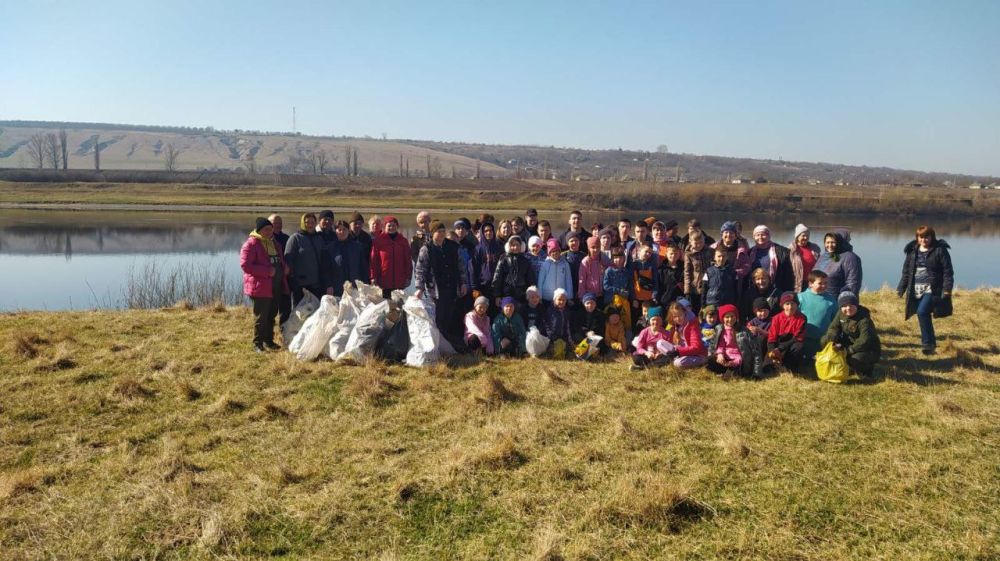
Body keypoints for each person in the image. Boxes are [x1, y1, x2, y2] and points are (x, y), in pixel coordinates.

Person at [897, 225, 953, 355]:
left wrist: (947, 290)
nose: (924, 240)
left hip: (933, 288)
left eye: (927, 237)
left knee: (922, 312)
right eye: (921, 237)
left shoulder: (940, 250)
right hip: (916, 288)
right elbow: (907, 271)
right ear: (917, 238)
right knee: (923, 314)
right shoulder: (912, 250)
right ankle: (931, 343)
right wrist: (901, 288)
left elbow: (947, 272)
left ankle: (927, 345)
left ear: (932, 237)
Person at [414, 220, 469, 342]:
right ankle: (438, 342)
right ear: (433, 233)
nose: (442, 233)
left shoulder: (454, 247)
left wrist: (463, 283)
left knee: (450, 315)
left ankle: (450, 342)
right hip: (435, 289)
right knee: (438, 316)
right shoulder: (426, 249)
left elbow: (461, 267)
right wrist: (419, 288)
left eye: (443, 231)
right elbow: (420, 270)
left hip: (452, 286)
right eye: (439, 231)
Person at [240, 217, 288, 352]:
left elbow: (280, 260)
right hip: (260, 287)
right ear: (259, 230)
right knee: (261, 317)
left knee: (271, 315)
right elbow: (245, 265)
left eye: (270, 229)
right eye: (266, 230)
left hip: (275, 286)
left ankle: (268, 341)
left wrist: (284, 268)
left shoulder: (274, 243)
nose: (269, 232)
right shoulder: (251, 244)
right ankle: (257, 344)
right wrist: (267, 271)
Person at [821, 291, 881, 377]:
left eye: (851, 305)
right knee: (825, 340)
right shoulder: (841, 314)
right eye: (844, 306)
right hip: (848, 343)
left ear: (856, 305)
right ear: (841, 307)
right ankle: (832, 362)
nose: (848, 308)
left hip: (867, 349)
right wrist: (832, 338)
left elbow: (865, 340)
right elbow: (833, 327)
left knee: (855, 360)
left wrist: (848, 350)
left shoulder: (864, 320)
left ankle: (867, 369)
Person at [284, 213, 325, 306]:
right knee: (299, 313)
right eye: (307, 222)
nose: (310, 224)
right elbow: (288, 260)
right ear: (303, 223)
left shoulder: (319, 238)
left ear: (315, 223)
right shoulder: (295, 238)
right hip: (300, 285)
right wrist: (291, 281)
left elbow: (323, 260)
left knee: (315, 311)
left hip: (316, 283)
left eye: (312, 222)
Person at [797, 270, 838, 359]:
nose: (823, 286)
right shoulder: (800, 298)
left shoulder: (831, 301)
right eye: (820, 283)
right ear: (810, 284)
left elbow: (836, 321)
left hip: (822, 340)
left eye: (825, 283)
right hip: (803, 339)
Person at [706, 304, 755, 378]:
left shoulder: (743, 330)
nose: (730, 319)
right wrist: (720, 354)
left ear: (736, 317)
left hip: (736, 358)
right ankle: (724, 371)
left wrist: (734, 362)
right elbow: (720, 344)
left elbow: (742, 351)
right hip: (725, 356)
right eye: (727, 317)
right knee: (709, 361)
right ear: (722, 318)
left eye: (732, 316)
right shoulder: (720, 329)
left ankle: (729, 373)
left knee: (732, 372)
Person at [370, 215, 413, 299]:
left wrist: (408, 277)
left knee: (399, 307)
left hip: (400, 280)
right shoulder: (378, 241)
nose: (391, 227)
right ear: (385, 226)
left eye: (394, 225)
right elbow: (373, 261)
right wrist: (373, 277)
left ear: (397, 227)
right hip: (384, 281)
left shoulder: (403, 241)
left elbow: (408, 260)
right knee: (385, 306)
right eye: (389, 225)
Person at [746, 225, 795, 294]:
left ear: (769, 236)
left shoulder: (782, 252)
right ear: (754, 237)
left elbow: (789, 275)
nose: (760, 237)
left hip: (775, 289)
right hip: (755, 289)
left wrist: (789, 292)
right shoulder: (749, 253)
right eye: (757, 235)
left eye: (763, 235)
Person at [816, 229, 863, 299]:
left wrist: (845, 302)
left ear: (839, 242)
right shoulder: (824, 256)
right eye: (827, 242)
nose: (829, 245)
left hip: (836, 302)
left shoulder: (850, 258)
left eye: (833, 242)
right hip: (820, 300)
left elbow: (852, 284)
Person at [766, 292, 807, 372]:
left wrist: (780, 349)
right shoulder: (776, 318)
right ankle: (775, 362)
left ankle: (789, 365)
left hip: (791, 343)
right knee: (767, 368)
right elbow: (772, 337)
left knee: (798, 347)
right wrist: (773, 350)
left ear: (797, 305)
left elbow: (798, 337)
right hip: (778, 342)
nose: (790, 307)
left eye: (793, 304)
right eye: (787, 304)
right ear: (783, 305)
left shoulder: (802, 318)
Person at [492, 235, 535, 306]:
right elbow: (497, 277)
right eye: (513, 245)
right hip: (506, 294)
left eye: (517, 245)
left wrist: (532, 294)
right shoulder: (503, 259)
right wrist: (497, 295)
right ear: (508, 246)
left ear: (522, 246)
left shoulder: (525, 261)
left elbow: (530, 279)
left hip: (521, 295)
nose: (515, 247)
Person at [664, 301, 708, 369]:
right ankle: (673, 358)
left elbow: (696, 347)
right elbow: (670, 341)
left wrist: (679, 352)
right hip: (681, 350)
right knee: (660, 343)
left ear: (685, 313)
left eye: (680, 315)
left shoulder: (692, 325)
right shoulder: (676, 325)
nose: (678, 319)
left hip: (696, 354)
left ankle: (701, 362)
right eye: (675, 316)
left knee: (678, 363)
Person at [629, 306, 671, 370]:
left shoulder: (666, 333)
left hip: (658, 356)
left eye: (658, 319)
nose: (656, 322)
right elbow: (639, 348)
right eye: (653, 319)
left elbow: (668, 348)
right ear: (649, 320)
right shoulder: (644, 332)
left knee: (668, 358)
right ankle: (653, 365)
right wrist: (647, 353)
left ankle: (642, 368)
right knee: (636, 357)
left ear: (662, 321)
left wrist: (659, 353)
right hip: (647, 356)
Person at [328, 220, 363, 296]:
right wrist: (329, 285)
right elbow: (326, 269)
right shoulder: (330, 248)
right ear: (336, 231)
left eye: (344, 229)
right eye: (339, 230)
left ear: (349, 231)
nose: (342, 232)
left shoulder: (357, 247)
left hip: (354, 286)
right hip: (337, 287)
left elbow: (363, 267)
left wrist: (363, 284)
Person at [473, 221, 503, 309]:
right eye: (486, 231)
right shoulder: (478, 249)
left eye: (490, 230)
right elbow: (473, 269)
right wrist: (475, 287)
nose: (488, 233)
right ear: (482, 233)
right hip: (482, 286)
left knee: (495, 309)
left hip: (496, 286)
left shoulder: (499, 248)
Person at [683, 231, 713, 315]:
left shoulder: (710, 251)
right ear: (690, 242)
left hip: (708, 283)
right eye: (696, 243)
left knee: (707, 310)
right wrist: (687, 291)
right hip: (695, 286)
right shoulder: (689, 255)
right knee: (695, 310)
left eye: (701, 242)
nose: (699, 245)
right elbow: (687, 273)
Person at [538, 239, 574, 303]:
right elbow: (540, 281)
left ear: (560, 251)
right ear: (549, 253)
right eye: (553, 251)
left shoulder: (565, 264)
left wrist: (569, 297)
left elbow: (568, 280)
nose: (555, 253)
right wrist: (540, 296)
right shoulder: (545, 264)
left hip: (561, 297)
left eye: (557, 250)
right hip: (547, 297)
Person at [746, 297, 773, 378]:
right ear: (755, 312)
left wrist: (760, 331)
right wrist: (751, 331)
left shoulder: (772, 321)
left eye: (765, 310)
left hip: (766, 345)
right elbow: (747, 331)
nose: (763, 313)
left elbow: (772, 334)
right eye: (760, 311)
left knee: (762, 339)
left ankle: (765, 365)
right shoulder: (752, 321)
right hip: (754, 346)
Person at [789, 223, 821, 292]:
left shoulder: (815, 248)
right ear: (797, 237)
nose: (806, 238)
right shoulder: (791, 250)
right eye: (803, 236)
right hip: (798, 283)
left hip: (813, 282)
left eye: (807, 236)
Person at [578, 237, 607, 308]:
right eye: (593, 247)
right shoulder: (585, 262)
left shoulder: (604, 259)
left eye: (598, 247)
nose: (596, 250)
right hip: (589, 296)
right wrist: (582, 297)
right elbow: (582, 281)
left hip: (602, 294)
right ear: (588, 248)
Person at [544, 288, 572, 359]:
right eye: (559, 299)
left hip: (563, 337)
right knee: (556, 351)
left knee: (569, 351)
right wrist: (551, 336)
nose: (561, 302)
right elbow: (546, 324)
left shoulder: (567, 311)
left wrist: (569, 339)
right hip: (552, 338)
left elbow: (568, 326)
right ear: (554, 300)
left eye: (564, 300)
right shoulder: (550, 311)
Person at [630, 243, 659, 312]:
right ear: (640, 251)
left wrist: (654, 296)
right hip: (637, 298)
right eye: (646, 251)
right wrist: (633, 298)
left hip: (648, 298)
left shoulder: (652, 266)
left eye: (650, 253)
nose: (648, 254)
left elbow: (655, 281)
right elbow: (630, 282)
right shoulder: (633, 265)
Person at [656, 243, 684, 309]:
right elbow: (658, 286)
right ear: (666, 254)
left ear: (679, 254)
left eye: (676, 253)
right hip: (665, 301)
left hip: (679, 301)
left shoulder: (683, 268)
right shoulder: (661, 270)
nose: (673, 255)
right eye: (671, 253)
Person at [348, 211, 373, 283]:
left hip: (363, 272)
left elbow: (370, 257)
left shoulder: (367, 237)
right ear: (350, 224)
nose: (358, 226)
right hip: (349, 272)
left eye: (360, 223)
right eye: (355, 223)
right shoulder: (346, 236)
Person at [564, 233, 586, 303]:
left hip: (581, 287)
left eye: (576, 240)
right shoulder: (564, 255)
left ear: (579, 242)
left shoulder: (584, 256)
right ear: (568, 243)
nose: (574, 243)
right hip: (568, 286)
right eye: (571, 241)